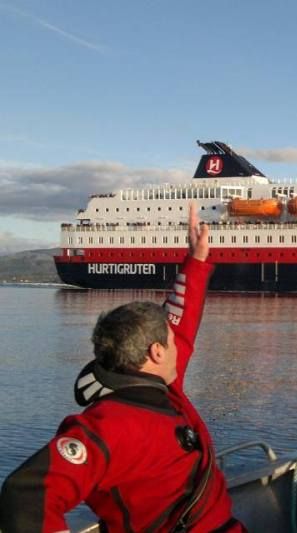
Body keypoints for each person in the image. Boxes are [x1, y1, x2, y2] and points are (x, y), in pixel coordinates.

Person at [0, 204, 244, 532]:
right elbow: (27, 493)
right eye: (172, 342)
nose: (181, 344)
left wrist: (196, 261)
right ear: (157, 352)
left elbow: (179, 322)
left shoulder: (159, 383)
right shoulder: (110, 425)